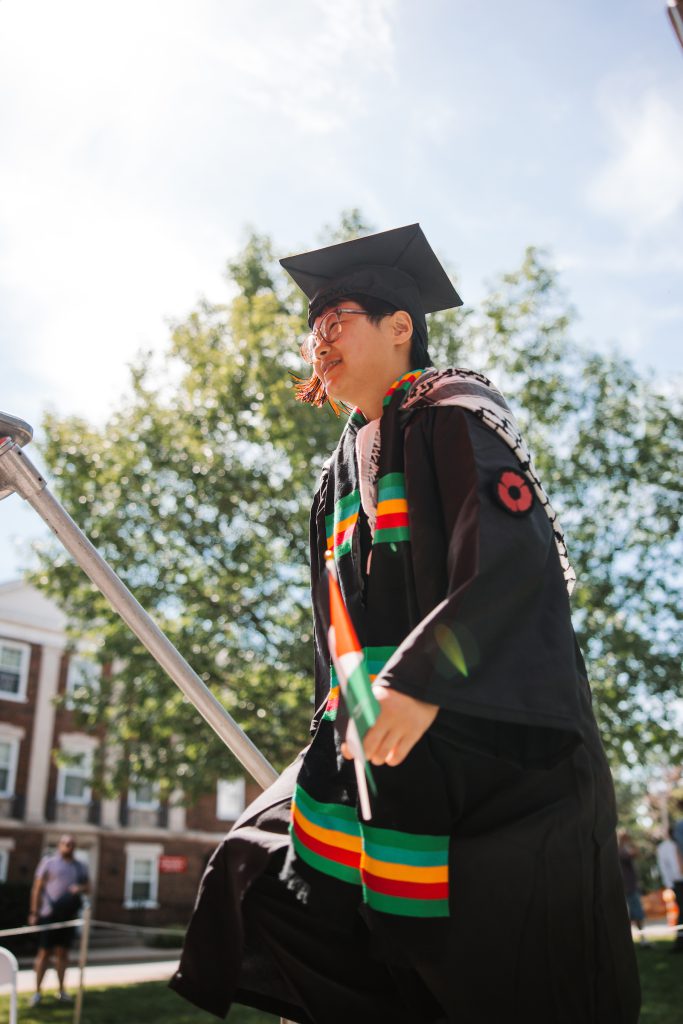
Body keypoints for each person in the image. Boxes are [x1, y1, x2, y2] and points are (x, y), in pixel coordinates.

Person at [171, 224, 640, 1023]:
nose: (319, 343)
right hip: (370, 733)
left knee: (496, 964)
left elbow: (511, 561)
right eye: (311, 331)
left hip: (488, 740)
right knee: (266, 877)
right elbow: (336, 628)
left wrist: (421, 680)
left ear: (400, 327)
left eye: (336, 322)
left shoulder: (451, 418)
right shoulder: (338, 475)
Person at [28, 834, 89, 1006]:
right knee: (44, 952)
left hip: (68, 916)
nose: (68, 847)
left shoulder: (80, 867)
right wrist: (34, 911)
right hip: (49, 915)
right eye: (66, 844)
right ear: (59, 845)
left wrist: (80, 887)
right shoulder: (48, 863)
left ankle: (61, 991)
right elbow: (37, 888)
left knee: (63, 953)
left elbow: (89, 886)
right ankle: (37, 992)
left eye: (72, 844)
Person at [617, 830, 651, 948]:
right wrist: (631, 843)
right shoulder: (621, 851)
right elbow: (636, 854)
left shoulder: (622, 850)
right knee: (636, 914)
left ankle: (640, 939)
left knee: (634, 914)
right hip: (629, 888)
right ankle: (641, 940)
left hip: (629, 887)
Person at [656, 826, 683, 953]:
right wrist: (669, 885)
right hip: (677, 883)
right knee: (681, 911)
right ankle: (680, 942)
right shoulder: (664, 847)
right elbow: (664, 867)